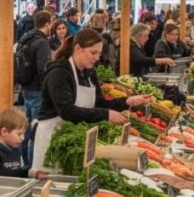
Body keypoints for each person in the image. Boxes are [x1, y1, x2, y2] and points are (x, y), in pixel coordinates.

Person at [32, 29, 153, 172]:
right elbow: (67, 111)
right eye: (93, 52)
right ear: (78, 49)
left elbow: (99, 102)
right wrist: (106, 114)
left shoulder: (90, 72)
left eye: (99, 53)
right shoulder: (58, 73)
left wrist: (127, 101)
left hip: (75, 139)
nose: (97, 58)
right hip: (53, 139)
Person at [0, 108, 48, 179]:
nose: (23, 138)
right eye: (19, 134)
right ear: (4, 132)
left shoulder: (16, 149)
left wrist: (32, 173)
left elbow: (16, 173)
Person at [18, 10, 54, 134]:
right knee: (36, 130)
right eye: (52, 23)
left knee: (26, 127)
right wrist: (48, 88)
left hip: (26, 85)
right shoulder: (42, 42)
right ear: (47, 24)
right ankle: (33, 154)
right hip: (37, 88)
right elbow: (43, 67)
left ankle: (25, 153)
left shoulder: (27, 37)